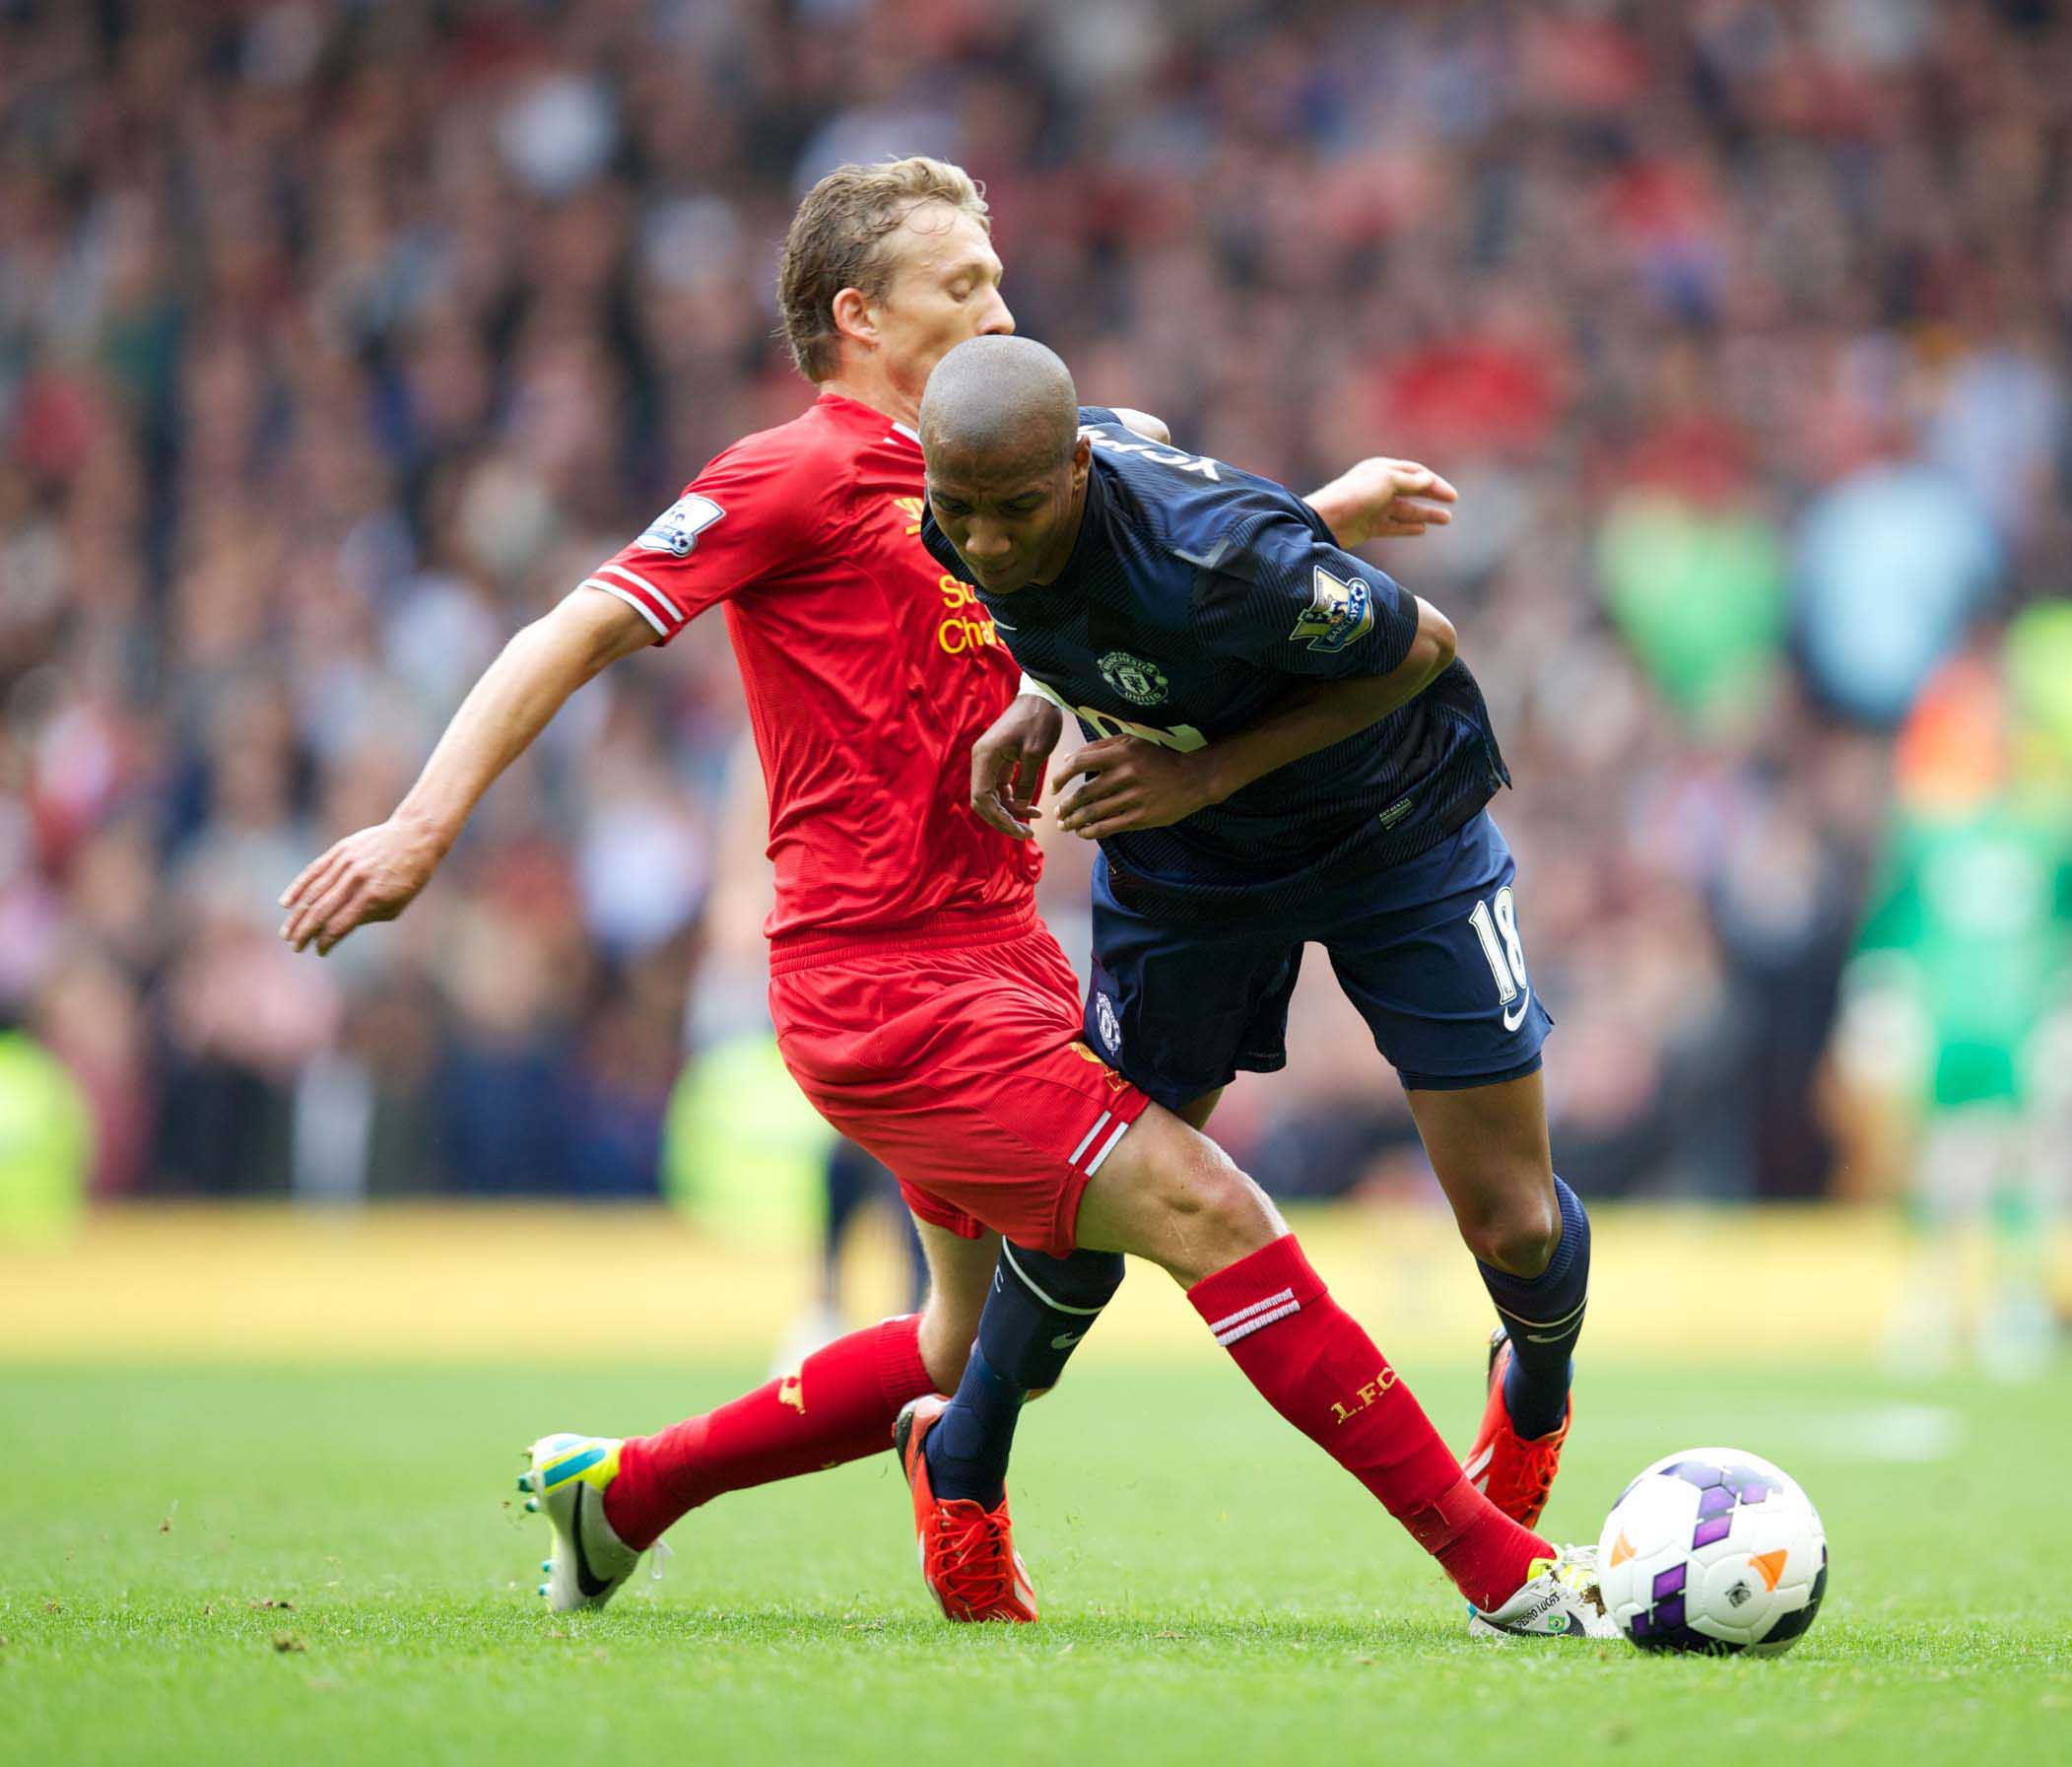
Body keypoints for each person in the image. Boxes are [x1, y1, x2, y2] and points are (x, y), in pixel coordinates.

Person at [277, 157, 1604, 1638]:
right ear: (860, 314)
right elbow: (574, 628)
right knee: (1202, 1206)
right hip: (878, 983)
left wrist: (1313, 516)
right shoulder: (794, 472)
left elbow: (1183, 555)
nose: (1000, 304)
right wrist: (416, 827)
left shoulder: (1008, 460)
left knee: (961, 1341)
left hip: (1005, 952)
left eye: (997, 276)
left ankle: (624, 1493)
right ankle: (1504, 1571)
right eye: (962, 283)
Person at [914, 335, 1592, 1549]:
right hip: (1194, 874)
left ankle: (1533, 1392)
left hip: (1392, 827)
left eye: (1017, 510)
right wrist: (1045, 695)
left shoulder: (1219, 554)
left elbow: (1423, 640)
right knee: (1098, 1182)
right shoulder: (963, 506)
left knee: (1516, 1223)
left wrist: (1204, 770)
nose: (990, 543)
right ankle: (962, 1465)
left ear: (1074, 467)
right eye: (962, 512)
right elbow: (1142, 592)